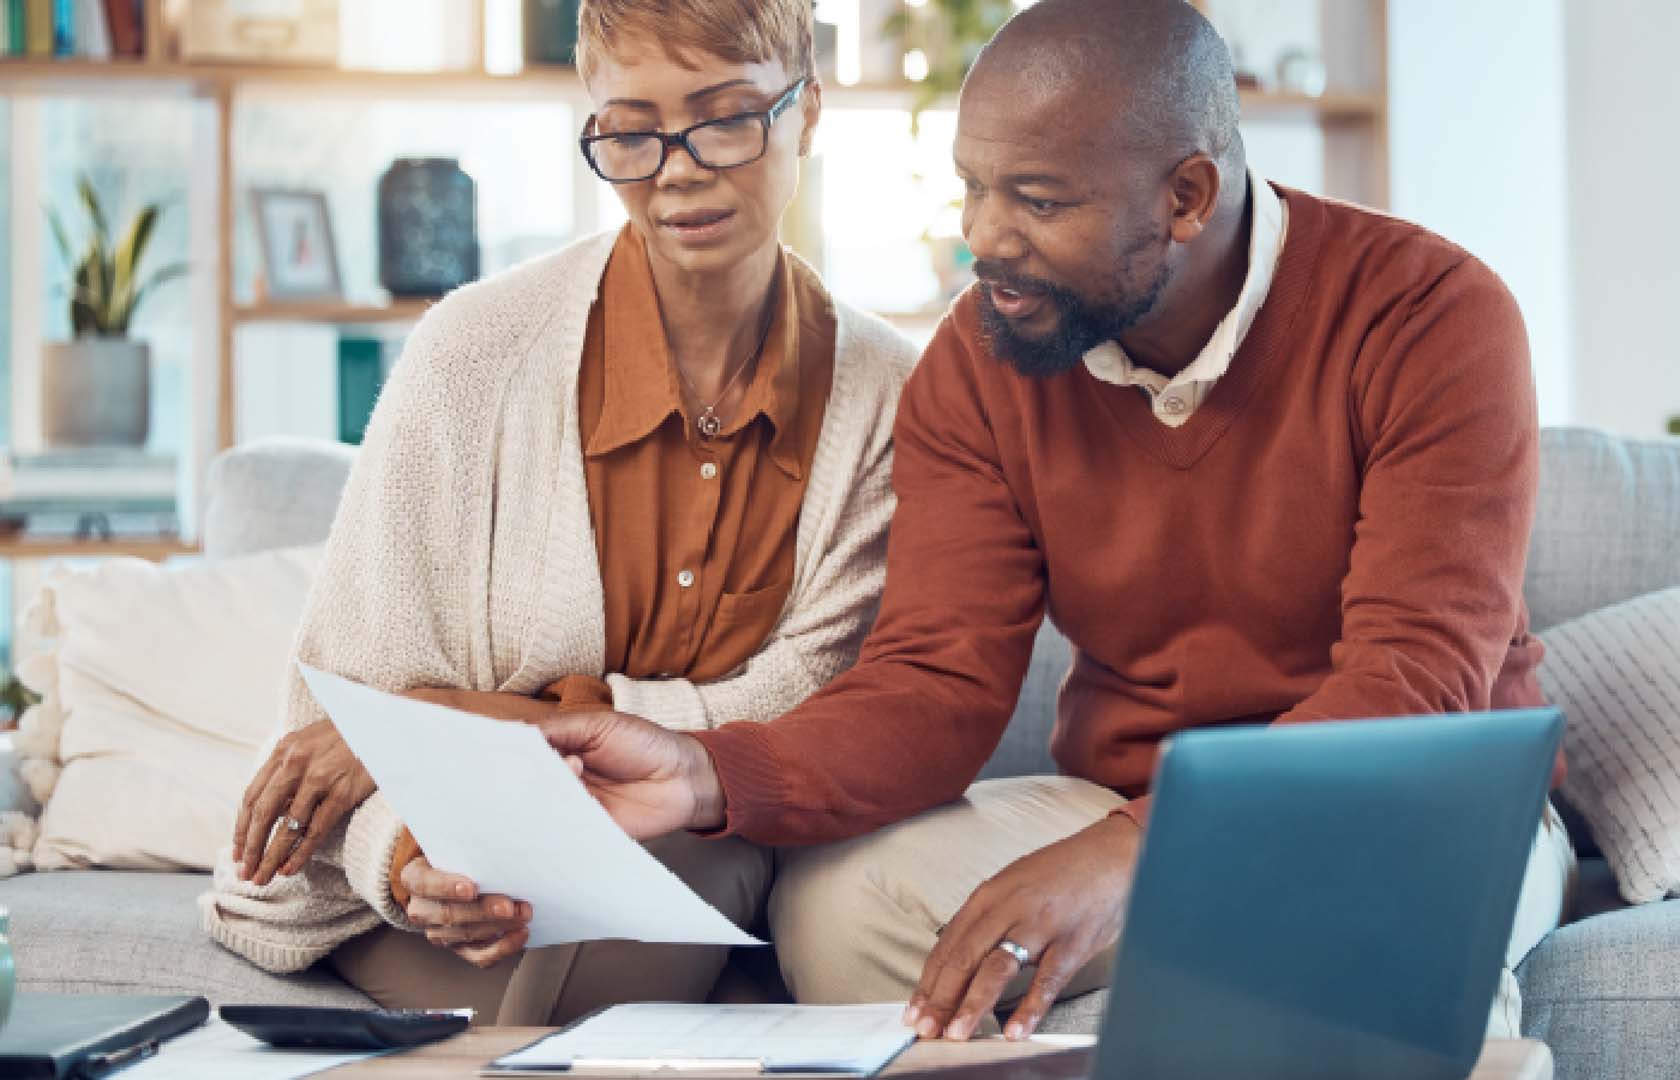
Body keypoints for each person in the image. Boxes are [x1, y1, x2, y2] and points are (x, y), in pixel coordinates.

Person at [535, 0, 1577, 1043]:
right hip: (1124, 803)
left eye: (1035, 200)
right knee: (839, 911)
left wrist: (1142, 854)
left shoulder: (1429, 315)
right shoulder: (983, 359)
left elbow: (1414, 683)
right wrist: (708, 770)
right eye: (973, 189)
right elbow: (935, 681)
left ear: (1186, 195)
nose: (983, 239)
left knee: (1356, 944)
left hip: (1412, 800)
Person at [201, 0, 916, 1026]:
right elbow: (346, 718)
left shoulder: (890, 396)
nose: (676, 170)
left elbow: (805, 715)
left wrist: (456, 718)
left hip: (717, 850)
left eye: (724, 118)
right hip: (455, 879)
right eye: (631, 131)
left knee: (669, 873)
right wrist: (410, 862)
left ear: (811, 110)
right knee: (576, 938)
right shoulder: (471, 353)